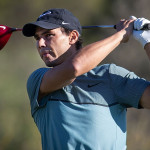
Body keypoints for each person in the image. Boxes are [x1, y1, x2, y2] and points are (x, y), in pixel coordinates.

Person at [22, 8, 150, 150]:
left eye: (48, 35)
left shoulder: (111, 76)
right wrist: (121, 35)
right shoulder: (38, 80)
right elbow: (75, 67)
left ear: (72, 37)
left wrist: (148, 42)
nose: (40, 44)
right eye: (37, 38)